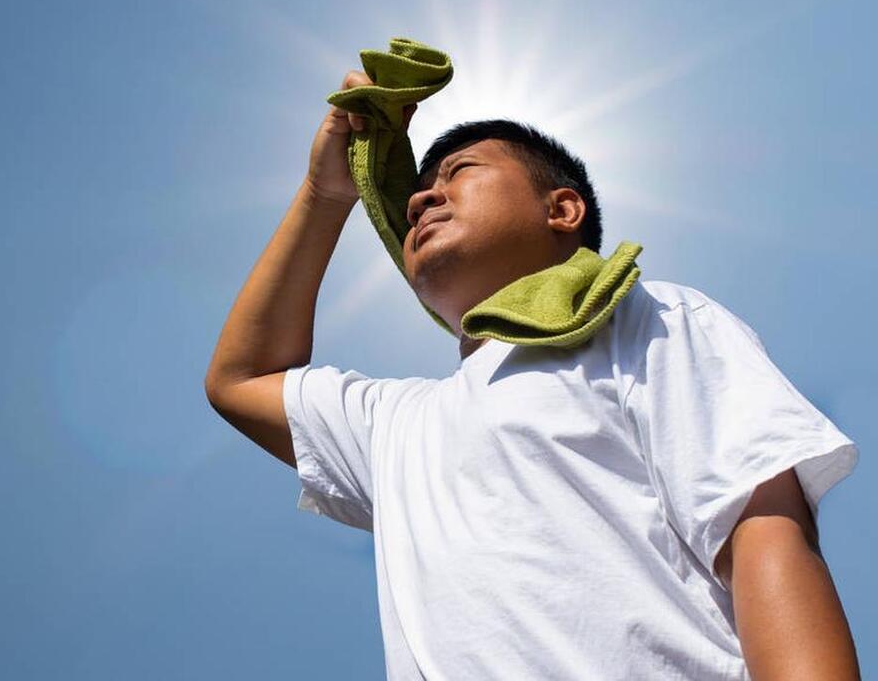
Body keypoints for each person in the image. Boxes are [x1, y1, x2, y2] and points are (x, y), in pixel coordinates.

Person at [203, 68, 861, 680]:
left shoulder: (646, 317)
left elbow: (761, 527)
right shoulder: (397, 426)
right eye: (414, 200)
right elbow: (240, 380)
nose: (422, 198)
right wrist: (324, 193)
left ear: (561, 211)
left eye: (459, 171)